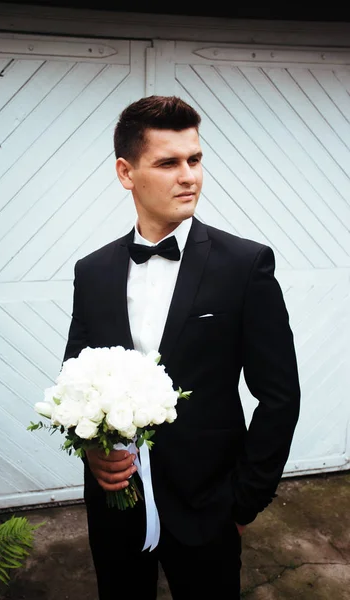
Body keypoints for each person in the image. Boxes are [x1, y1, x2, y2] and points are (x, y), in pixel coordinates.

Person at [63, 95, 301, 599]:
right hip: (115, 503)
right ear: (126, 173)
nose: (189, 175)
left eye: (195, 159)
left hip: (208, 507)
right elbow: (74, 374)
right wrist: (90, 451)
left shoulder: (245, 266)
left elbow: (280, 395)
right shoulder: (93, 271)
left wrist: (243, 503)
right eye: (168, 163)